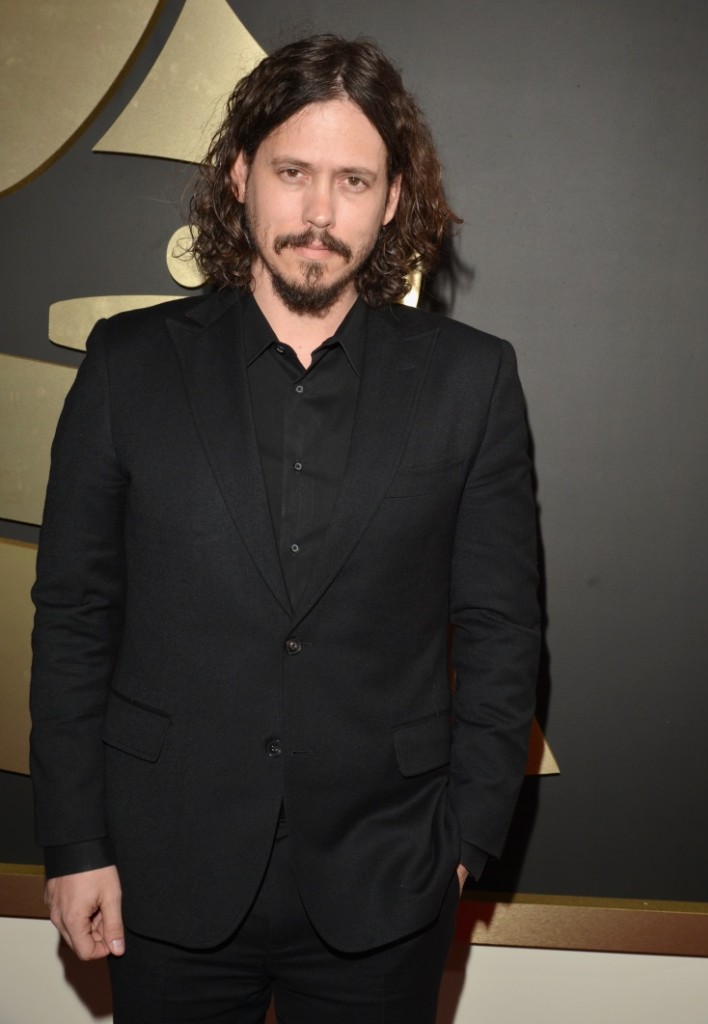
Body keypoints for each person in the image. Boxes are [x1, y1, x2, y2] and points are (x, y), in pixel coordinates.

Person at [30, 34, 540, 1023]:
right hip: (159, 871)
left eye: (353, 180)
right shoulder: (128, 364)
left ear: (392, 200)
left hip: (387, 880)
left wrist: (469, 836)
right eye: (292, 172)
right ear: (239, 177)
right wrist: (75, 842)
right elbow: (75, 617)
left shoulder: (472, 380)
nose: (317, 211)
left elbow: (501, 628)